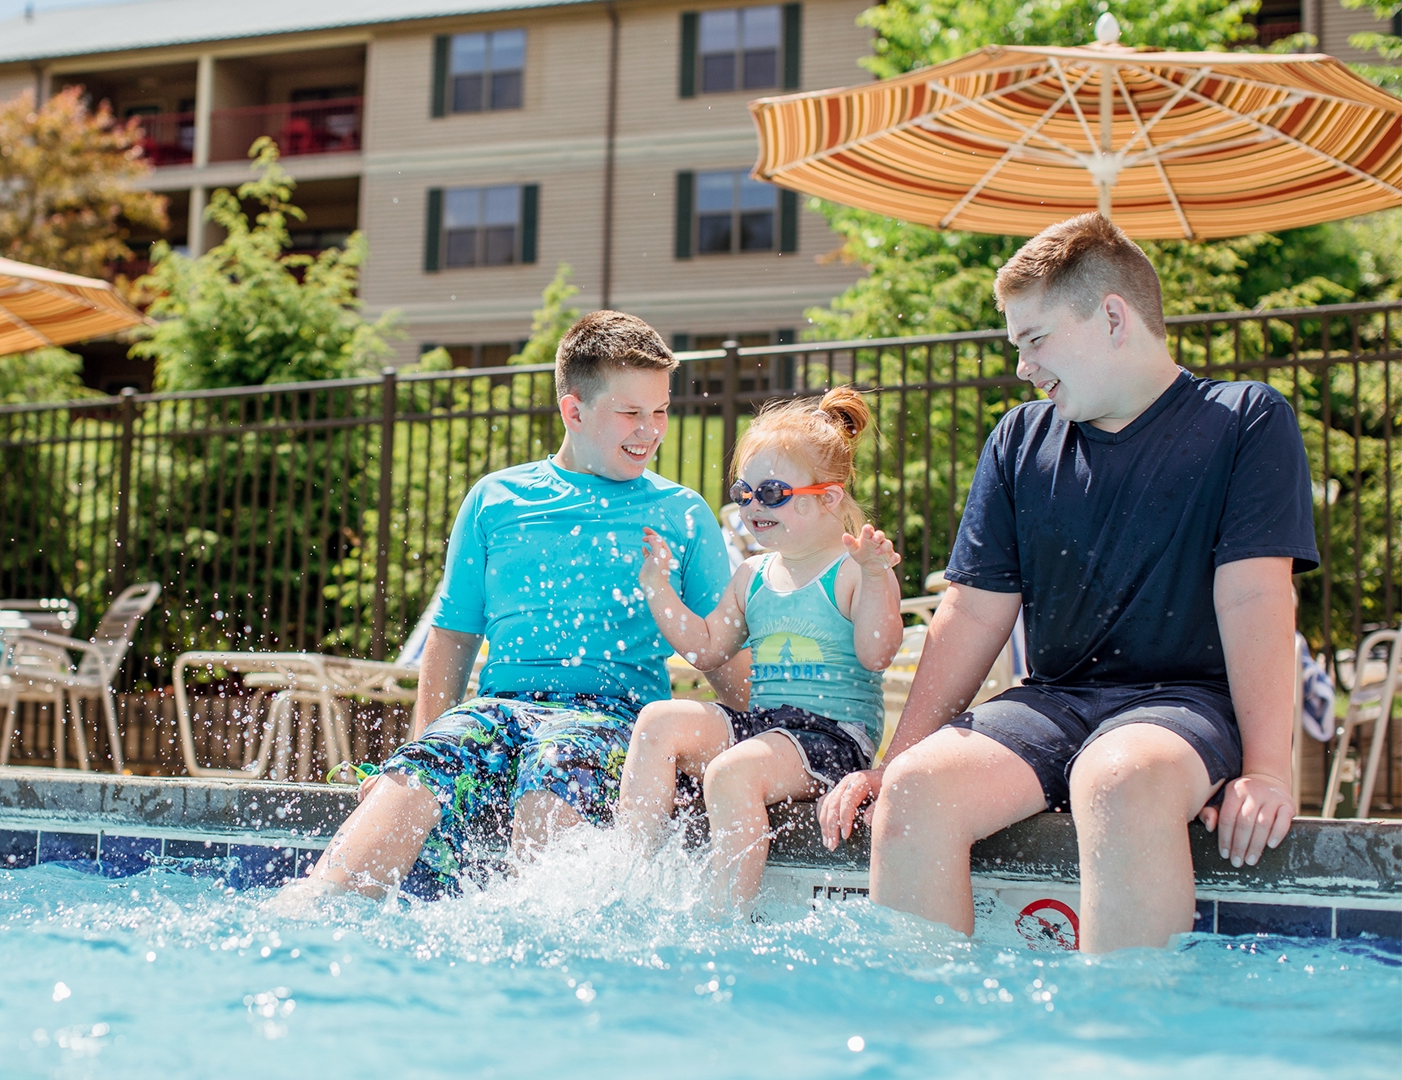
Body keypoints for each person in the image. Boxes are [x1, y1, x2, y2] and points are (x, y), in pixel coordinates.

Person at [817, 213, 1318, 952]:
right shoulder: (1021, 439)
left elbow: (1257, 598)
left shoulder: (1243, 421)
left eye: (1035, 339)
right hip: (1054, 704)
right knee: (919, 789)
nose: (1022, 365)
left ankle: (1114, 1055)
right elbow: (972, 614)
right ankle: (921, 1050)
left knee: (1117, 777)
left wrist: (1269, 770)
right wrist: (893, 761)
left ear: (1113, 317)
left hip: (1186, 705)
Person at [289, 311, 745, 898]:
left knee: (550, 786)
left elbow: (720, 651)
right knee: (405, 787)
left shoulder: (682, 515)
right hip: (497, 711)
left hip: (610, 721)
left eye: (660, 410)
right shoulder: (496, 499)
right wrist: (424, 744)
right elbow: (453, 635)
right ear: (573, 411)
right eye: (630, 412)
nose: (651, 429)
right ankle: (307, 920)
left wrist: (794, 727)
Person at [617, 388, 903, 907]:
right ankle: (628, 884)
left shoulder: (853, 571)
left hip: (833, 738)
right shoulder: (752, 575)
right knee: (657, 721)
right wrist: (658, 586)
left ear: (828, 497)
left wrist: (879, 576)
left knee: (732, 772)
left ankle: (722, 922)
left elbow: (876, 654)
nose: (752, 505)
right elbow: (706, 650)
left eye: (772, 493)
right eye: (744, 492)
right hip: (769, 727)